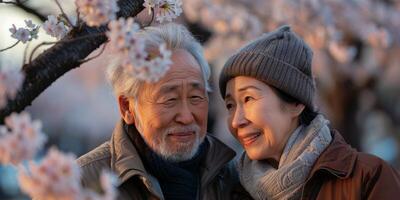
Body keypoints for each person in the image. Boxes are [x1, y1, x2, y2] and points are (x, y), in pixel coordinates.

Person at [218, 25, 400, 200]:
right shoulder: (228, 190)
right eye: (230, 105)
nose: (236, 121)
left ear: (296, 103)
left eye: (248, 98)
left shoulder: (368, 178)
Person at [77, 23, 249, 200]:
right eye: (170, 100)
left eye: (196, 97)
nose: (186, 117)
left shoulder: (234, 179)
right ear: (127, 107)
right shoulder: (81, 183)